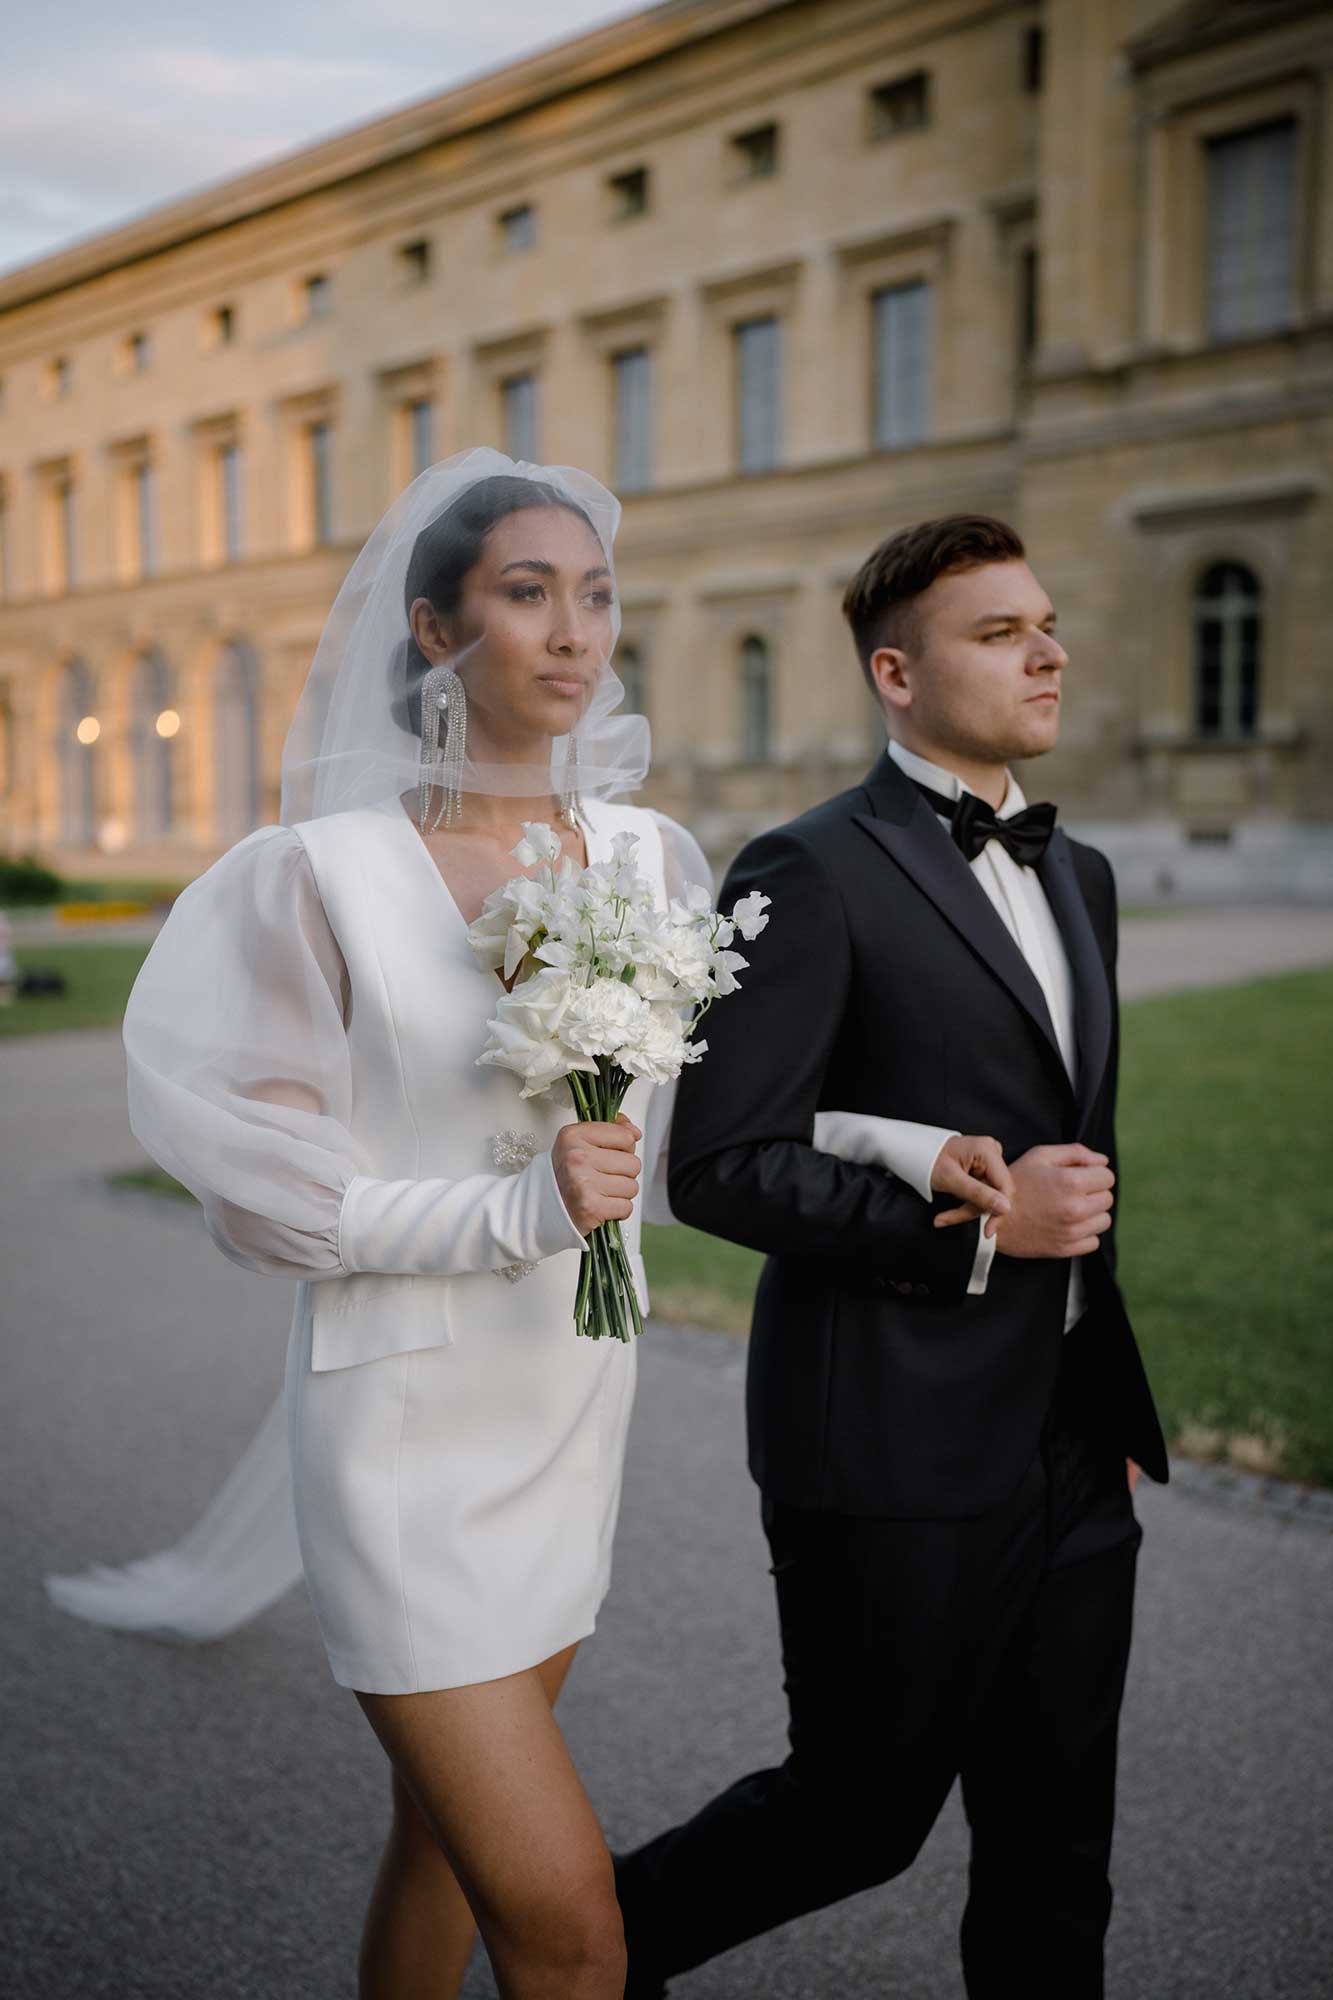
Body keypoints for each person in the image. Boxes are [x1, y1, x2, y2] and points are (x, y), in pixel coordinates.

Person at [47, 451, 1014, 2000]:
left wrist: (909, 1144)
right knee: (569, 1932)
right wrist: (508, 1206)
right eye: (525, 593)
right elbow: (264, 1192)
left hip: (567, 1415)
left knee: (434, 1844)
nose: (575, 631)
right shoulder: (323, 879)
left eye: (595, 595)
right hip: (404, 1432)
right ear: (434, 630)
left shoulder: (648, 858)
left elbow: (730, 1109)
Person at [614, 513, 1168, 2000]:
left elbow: (1078, 1147)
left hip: (1068, 1444)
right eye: (997, 632)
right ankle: (579, 1952)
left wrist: (1096, 1389)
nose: (1045, 650)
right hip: (885, 1439)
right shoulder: (805, 867)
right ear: (895, 673)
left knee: (1058, 1855)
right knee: (853, 1819)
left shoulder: (1084, 874)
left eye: (1045, 623)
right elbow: (722, 1163)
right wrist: (974, 1230)